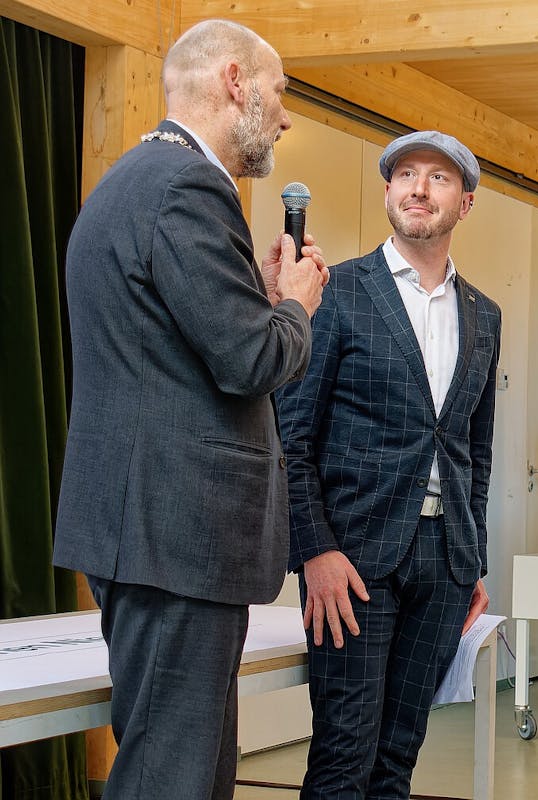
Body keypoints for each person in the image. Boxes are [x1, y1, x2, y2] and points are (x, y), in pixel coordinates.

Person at [51, 19, 327, 800]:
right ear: (235, 82)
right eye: (278, 92)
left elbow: (178, 347)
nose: (285, 117)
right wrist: (297, 305)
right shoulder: (189, 188)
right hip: (177, 531)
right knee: (171, 775)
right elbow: (252, 362)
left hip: (146, 527)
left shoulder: (132, 181)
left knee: (193, 769)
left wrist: (260, 300)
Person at [276, 129, 500, 799]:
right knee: (345, 758)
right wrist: (314, 550)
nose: (418, 188)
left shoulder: (484, 316)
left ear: (465, 203)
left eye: (438, 177)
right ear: (387, 192)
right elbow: (292, 435)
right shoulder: (337, 291)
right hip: (352, 562)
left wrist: (472, 559)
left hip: (444, 565)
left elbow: (475, 450)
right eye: (405, 174)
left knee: (397, 759)